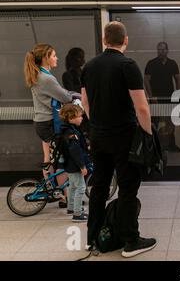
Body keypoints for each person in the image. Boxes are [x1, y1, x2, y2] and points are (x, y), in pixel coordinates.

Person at [81, 21, 157, 258]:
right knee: (127, 189)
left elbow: (85, 103)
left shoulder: (89, 67)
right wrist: (148, 135)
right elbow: (142, 108)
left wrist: (98, 125)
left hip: (98, 137)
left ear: (104, 40)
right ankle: (130, 241)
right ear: (125, 40)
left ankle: (92, 237)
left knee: (99, 187)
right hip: (124, 138)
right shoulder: (127, 65)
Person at [24, 43, 78, 208]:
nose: (57, 58)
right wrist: (78, 96)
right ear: (46, 58)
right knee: (60, 160)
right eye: (54, 55)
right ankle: (62, 196)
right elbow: (64, 97)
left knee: (49, 158)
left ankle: (55, 191)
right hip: (49, 123)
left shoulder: (38, 75)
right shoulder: (46, 78)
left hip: (41, 122)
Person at [144, 41, 180, 152]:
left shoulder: (172, 63)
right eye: (159, 49)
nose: (161, 51)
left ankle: (171, 144)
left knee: (170, 121)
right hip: (156, 98)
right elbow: (146, 80)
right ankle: (154, 146)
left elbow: (178, 79)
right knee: (155, 122)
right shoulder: (151, 63)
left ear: (167, 50)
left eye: (163, 49)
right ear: (157, 50)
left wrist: (178, 94)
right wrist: (151, 96)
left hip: (170, 97)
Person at [59, 103, 89, 222]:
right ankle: (77, 214)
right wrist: (82, 166)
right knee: (80, 187)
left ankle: (71, 207)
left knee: (72, 186)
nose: (81, 118)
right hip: (75, 165)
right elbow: (75, 151)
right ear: (71, 118)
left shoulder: (66, 129)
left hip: (68, 164)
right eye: (79, 116)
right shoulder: (72, 133)